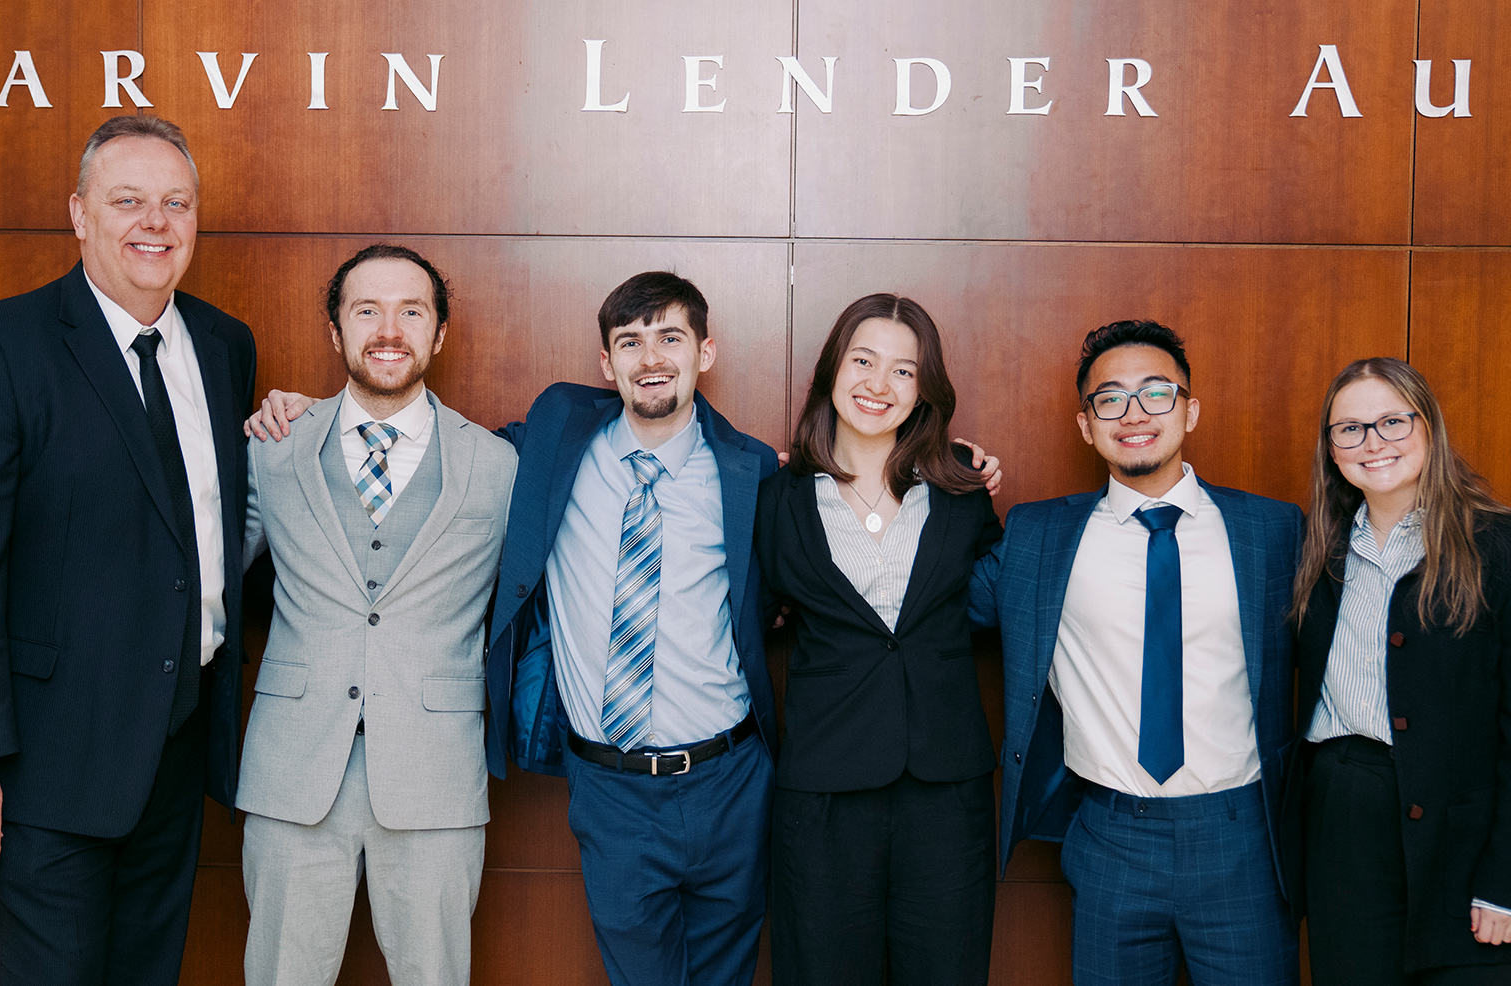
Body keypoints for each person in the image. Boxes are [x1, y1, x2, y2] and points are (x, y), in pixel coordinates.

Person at [249, 271, 781, 986]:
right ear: (606, 364)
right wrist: (305, 412)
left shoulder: (751, 472)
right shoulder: (555, 438)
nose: (651, 358)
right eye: (630, 341)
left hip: (730, 777)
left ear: (705, 353)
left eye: (671, 339)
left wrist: (936, 470)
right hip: (611, 783)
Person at [0, 115, 256, 986]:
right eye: (127, 200)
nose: (155, 222)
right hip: (47, 762)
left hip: (178, 748)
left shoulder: (223, 345)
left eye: (176, 202)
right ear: (79, 214)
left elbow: (202, 525)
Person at [968, 320, 1302, 986]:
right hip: (1111, 839)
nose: (1134, 414)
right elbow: (936, 612)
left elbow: (1360, 624)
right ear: (1087, 425)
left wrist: (1487, 626)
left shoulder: (1272, 529)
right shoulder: (1039, 535)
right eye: (1109, 399)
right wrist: (940, 478)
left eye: (1156, 393)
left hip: (1241, 836)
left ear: (1190, 410)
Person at [236, 245, 516, 985]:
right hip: (293, 771)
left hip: (437, 774)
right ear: (335, 331)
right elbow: (191, 574)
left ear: (439, 333)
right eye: (366, 310)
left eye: (411, 311)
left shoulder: (497, 467)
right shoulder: (273, 448)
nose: (388, 329)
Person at [1287, 357, 1511, 986]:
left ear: (1429, 429)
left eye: (1392, 421)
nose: (1372, 443)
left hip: (1465, 841)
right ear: (1331, 449)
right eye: (1350, 429)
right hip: (1345, 830)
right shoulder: (1312, 551)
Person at [755, 295, 1003, 986]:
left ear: (924, 389)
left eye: (904, 371)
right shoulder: (774, 499)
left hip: (946, 787)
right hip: (825, 789)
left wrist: (965, 465)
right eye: (863, 361)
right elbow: (751, 618)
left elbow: (991, 601)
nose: (878, 384)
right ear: (833, 367)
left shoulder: (963, 489)